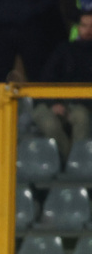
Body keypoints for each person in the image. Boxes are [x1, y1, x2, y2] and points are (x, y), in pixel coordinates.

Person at [31, 11, 92, 164]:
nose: (88, 30)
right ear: (78, 28)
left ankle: (77, 164)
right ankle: (70, 162)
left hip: (81, 106)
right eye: (84, 26)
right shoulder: (63, 50)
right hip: (54, 103)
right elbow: (45, 80)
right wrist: (54, 104)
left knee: (82, 117)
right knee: (47, 122)